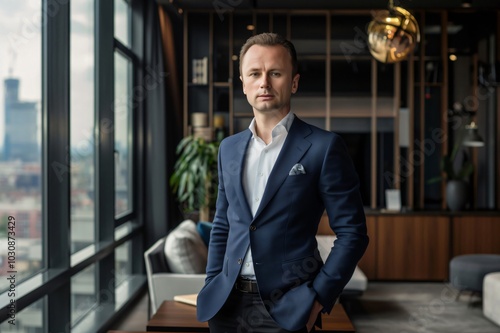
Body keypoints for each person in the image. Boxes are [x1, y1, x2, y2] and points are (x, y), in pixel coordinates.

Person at [196, 32, 369, 333]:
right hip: (226, 306)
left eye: (275, 73)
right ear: (244, 84)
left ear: (293, 82)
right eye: (254, 73)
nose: (264, 82)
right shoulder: (229, 148)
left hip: (288, 308)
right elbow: (223, 223)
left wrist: (317, 298)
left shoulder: (324, 147)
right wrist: (212, 280)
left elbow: (353, 233)